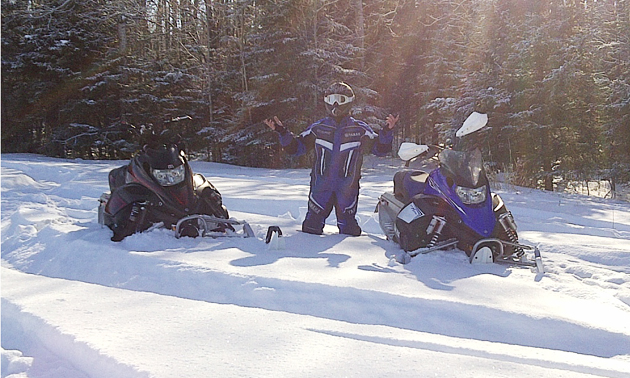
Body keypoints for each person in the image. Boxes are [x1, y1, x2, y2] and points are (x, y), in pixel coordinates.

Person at [265, 82, 399, 236]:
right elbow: (296, 148)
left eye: (340, 99)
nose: (335, 104)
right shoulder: (318, 128)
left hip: (347, 189)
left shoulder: (359, 129)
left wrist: (387, 130)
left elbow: (380, 149)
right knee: (310, 230)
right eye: (331, 99)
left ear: (349, 101)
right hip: (321, 188)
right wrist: (282, 132)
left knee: (350, 232)